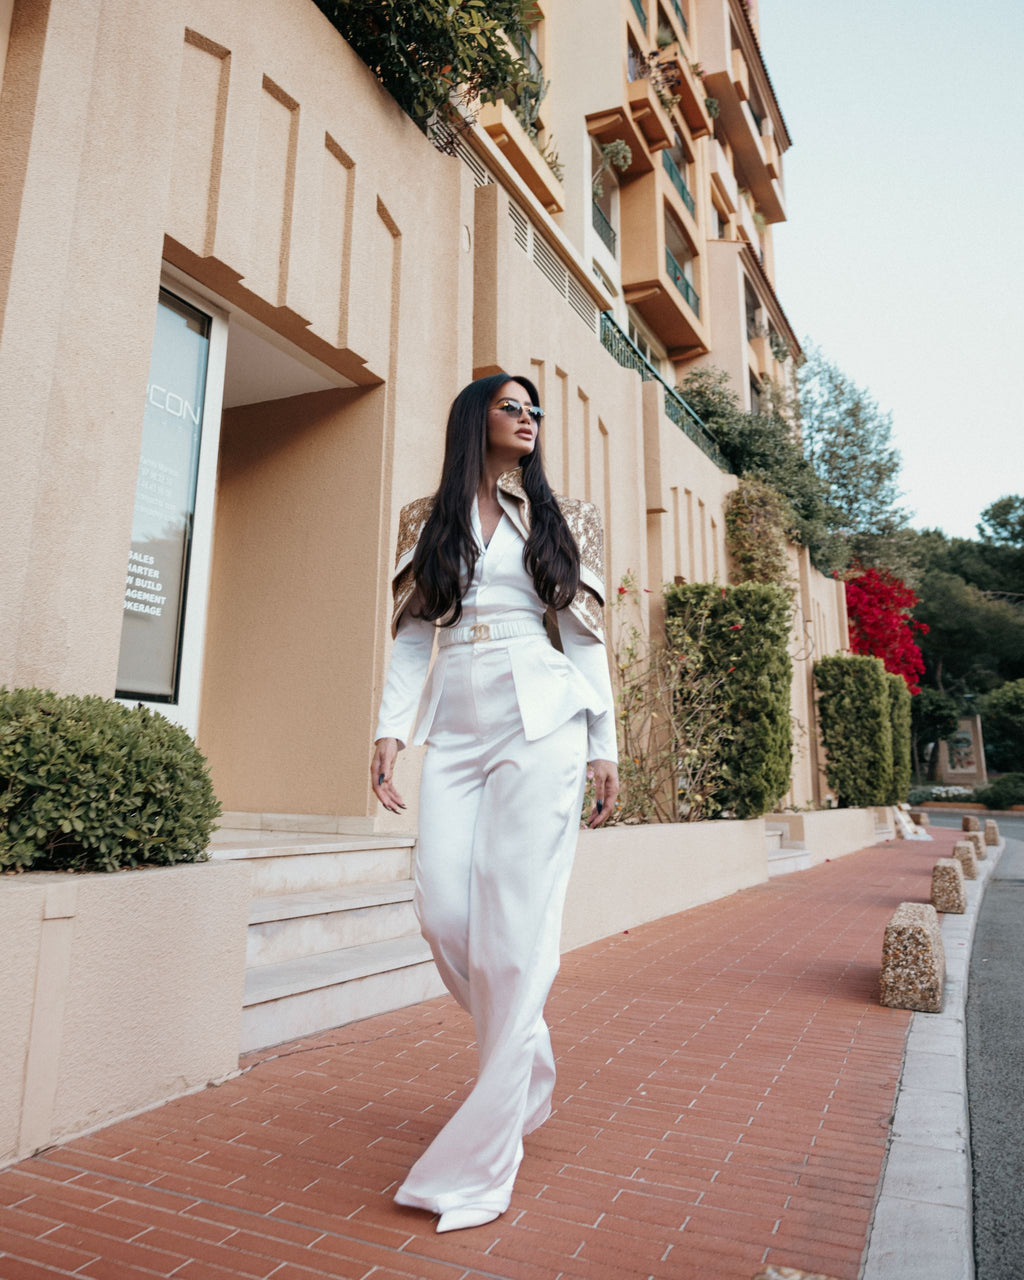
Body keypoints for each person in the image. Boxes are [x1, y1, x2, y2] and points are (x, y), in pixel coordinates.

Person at [370, 372, 619, 1233]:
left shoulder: (563, 519)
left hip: (541, 717)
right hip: (458, 720)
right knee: (443, 910)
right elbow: (412, 636)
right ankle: (529, 1058)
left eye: (536, 409)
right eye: (513, 406)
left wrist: (603, 746)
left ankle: (477, 1162)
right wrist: (390, 730)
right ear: (476, 418)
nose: (530, 418)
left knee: (514, 931)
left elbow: (586, 640)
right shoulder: (424, 519)